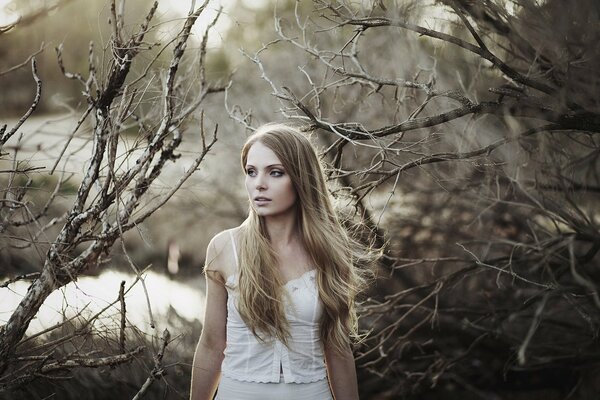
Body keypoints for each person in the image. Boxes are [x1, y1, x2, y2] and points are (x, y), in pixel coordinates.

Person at [190, 123, 371, 400]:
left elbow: (338, 350)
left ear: (301, 178)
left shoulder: (330, 251)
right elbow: (212, 344)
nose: (259, 184)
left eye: (275, 172)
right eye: (251, 172)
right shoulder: (225, 248)